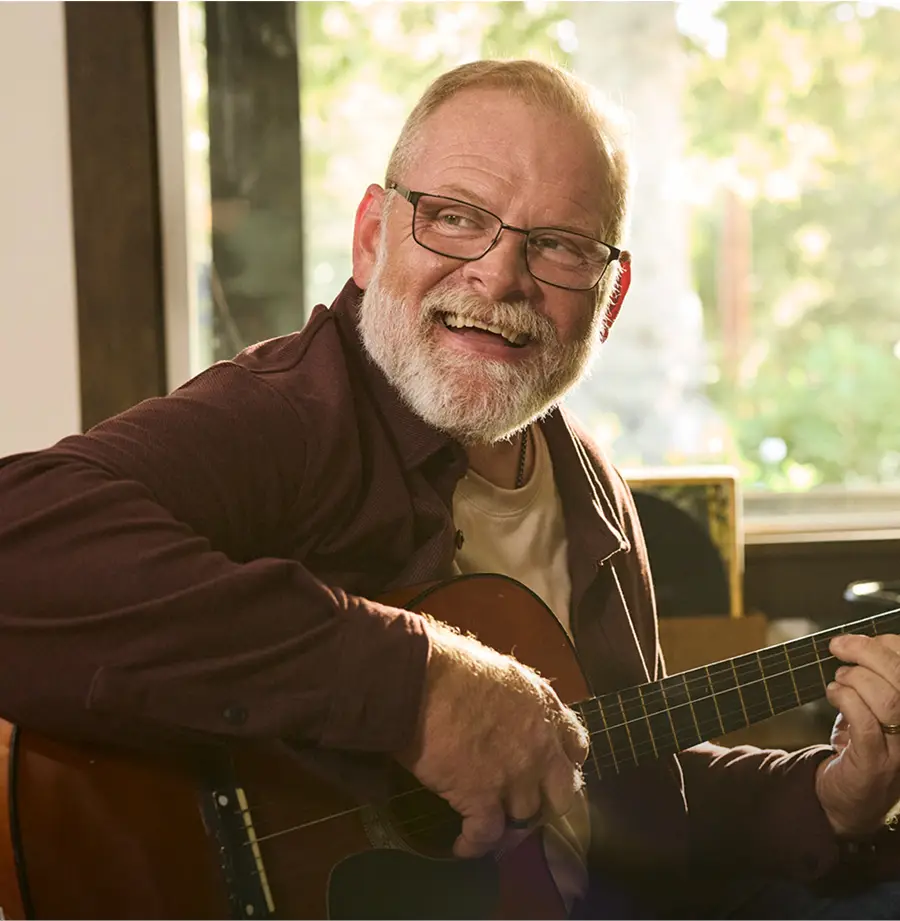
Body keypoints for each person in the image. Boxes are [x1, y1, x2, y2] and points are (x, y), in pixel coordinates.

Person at [1, 58, 900, 919]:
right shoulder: (295, 416)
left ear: (610, 300)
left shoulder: (593, 493)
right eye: (456, 218)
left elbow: (625, 780)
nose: (498, 276)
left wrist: (829, 797)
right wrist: (415, 686)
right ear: (370, 237)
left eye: (555, 245)